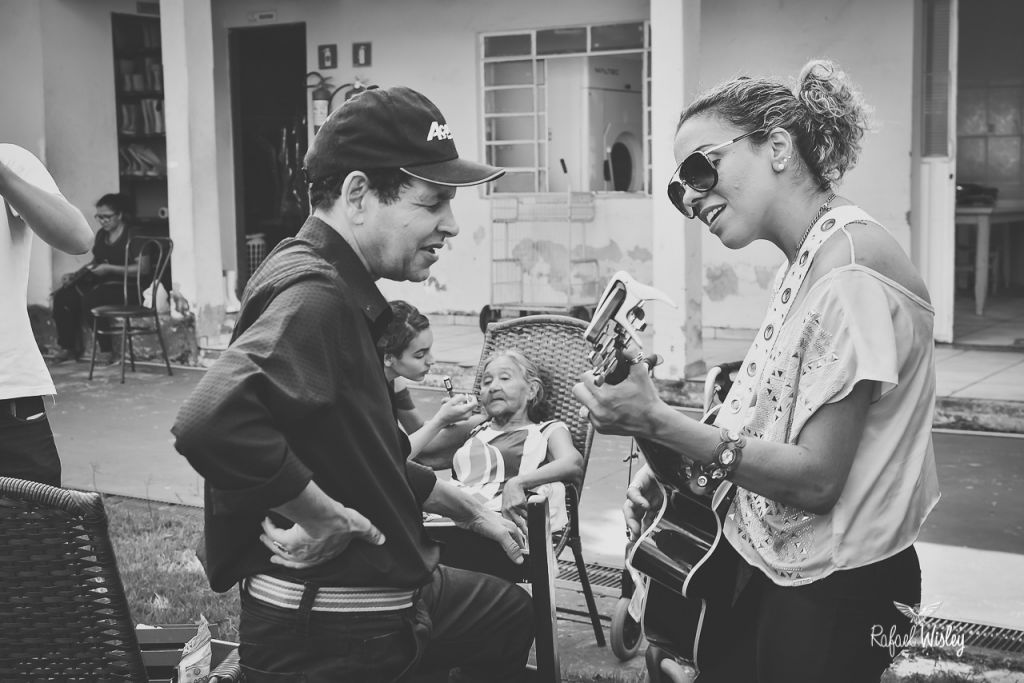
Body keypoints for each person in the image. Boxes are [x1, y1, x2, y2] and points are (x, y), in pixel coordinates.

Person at [573, 60, 940, 682]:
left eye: (698, 168)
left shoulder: (847, 273)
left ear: (776, 146)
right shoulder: (812, 258)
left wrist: (660, 421)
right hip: (785, 575)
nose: (690, 197)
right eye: (676, 189)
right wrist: (671, 471)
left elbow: (818, 479)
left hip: (832, 592)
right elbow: (766, 431)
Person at [172, 86, 534, 683]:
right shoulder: (317, 295)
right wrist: (322, 517)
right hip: (337, 633)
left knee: (505, 612)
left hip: (383, 603)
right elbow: (211, 421)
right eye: (434, 201)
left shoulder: (336, 285)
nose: (451, 225)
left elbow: (360, 452)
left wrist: (470, 508)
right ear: (359, 194)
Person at [419, 349, 584, 582]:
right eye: (487, 382)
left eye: (505, 378)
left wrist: (518, 482)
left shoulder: (547, 429)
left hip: (499, 524)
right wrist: (443, 420)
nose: (494, 386)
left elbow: (573, 463)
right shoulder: (477, 427)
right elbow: (417, 453)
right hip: (449, 518)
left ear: (532, 390)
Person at [1, 143, 93, 486]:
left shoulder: (11, 161)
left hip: (7, 396)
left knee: (36, 529)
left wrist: (3, 179)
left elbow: (78, 238)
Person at [51, 193, 150, 363]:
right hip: (105, 284)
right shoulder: (102, 235)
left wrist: (110, 269)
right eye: (99, 217)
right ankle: (67, 347)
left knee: (92, 298)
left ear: (119, 215)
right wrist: (75, 276)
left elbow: (143, 269)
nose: (103, 221)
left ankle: (106, 350)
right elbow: (96, 262)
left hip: (131, 288)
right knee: (63, 296)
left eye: (107, 217)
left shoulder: (134, 235)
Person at [377, 299, 479, 453]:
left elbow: (418, 432)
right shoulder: (366, 391)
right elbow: (390, 457)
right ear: (388, 358)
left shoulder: (394, 380)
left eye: (429, 350)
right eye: (420, 355)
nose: (432, 360)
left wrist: (448, 417)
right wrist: (440, 420)